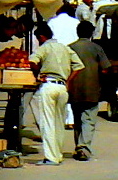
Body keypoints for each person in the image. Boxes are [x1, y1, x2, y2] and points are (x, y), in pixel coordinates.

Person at [29, 21, 83, 166]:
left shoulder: (44, 48)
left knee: (47, 122)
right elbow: (79, 66)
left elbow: (32, 61)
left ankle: (50, 157)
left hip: (49, 85)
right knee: (59, 122)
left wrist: (37, 75)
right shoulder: (64, 48)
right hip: (62, 87)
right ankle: (57, 154)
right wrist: (69, 81)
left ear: (41, 37)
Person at [67, 20, 112, 160]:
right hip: (92, 89)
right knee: (89, 119)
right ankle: (83, 147)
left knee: (77, 119)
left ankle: (78, 146)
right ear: (92, 33)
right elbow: (106, 68)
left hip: (73, 89)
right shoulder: (96, 48)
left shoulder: (70, 48)